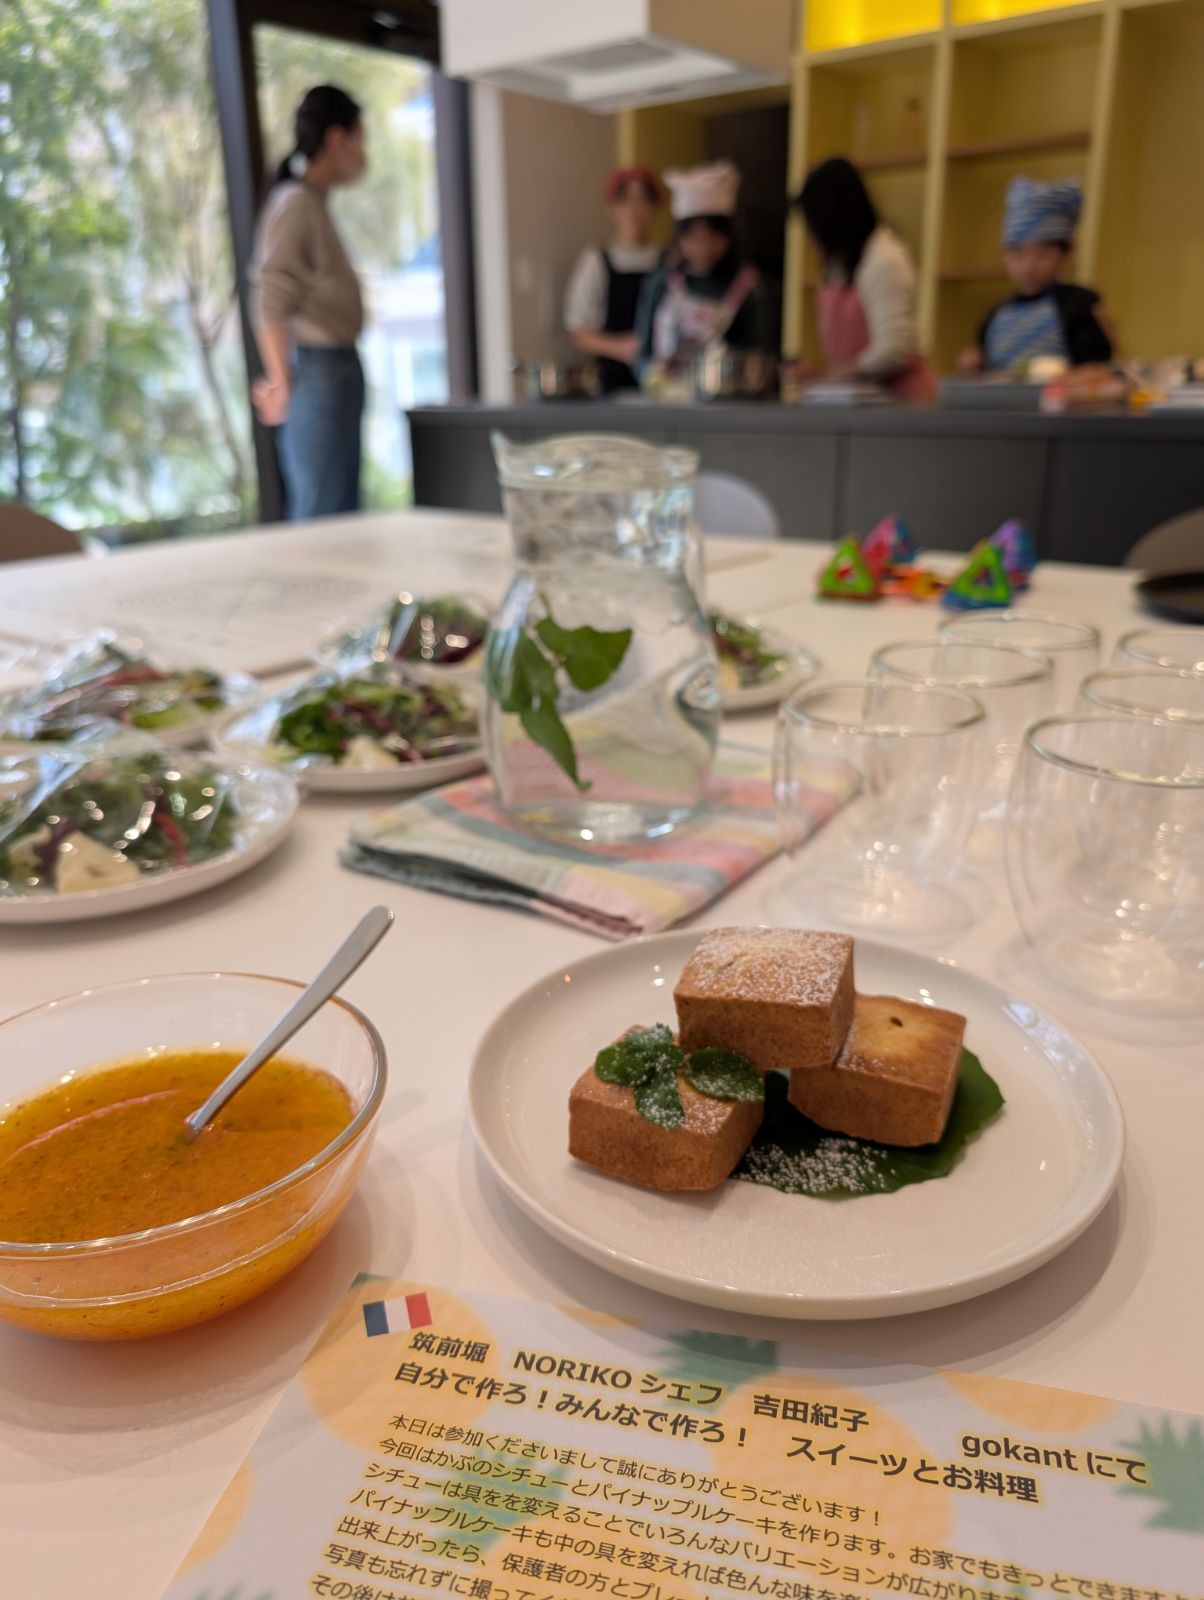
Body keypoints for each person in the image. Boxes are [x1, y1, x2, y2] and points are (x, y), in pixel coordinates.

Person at [249, 86, 368, 521]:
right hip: (319, 372)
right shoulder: (296, 203)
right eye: (361, 140)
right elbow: (271, 296)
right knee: (323, 520)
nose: (364, 154)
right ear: (337, 139)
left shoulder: (312, 203)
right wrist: (280, 380)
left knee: (339, 517)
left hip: (334, 370)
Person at [794, 156, 935, 403]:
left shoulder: (884, 259)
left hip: (900, 403)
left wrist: (831, 377)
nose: (810, 236)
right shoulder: (839, 264)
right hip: (859, 401)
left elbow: (893, 350)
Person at [961, 177, 1114, 373]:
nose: (1029, 267)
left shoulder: (1080, 305)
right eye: (1017, 255)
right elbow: (985, 369)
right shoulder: (994, 315)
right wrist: (973, 364)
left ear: (1067, 252)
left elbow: (1098, 368)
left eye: (1043, 254)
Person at [633, 160, 768, 379]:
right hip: (662, 395)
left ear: (729, 236)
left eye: (713, 237)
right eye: (693, 237)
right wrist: (650, 375)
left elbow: (756, 357)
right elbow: (642, 354)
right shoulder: (660, 283)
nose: (703, 248)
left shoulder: (749, 289)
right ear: (679, 237)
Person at [563, 166, 664, 393]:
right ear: (611, 209)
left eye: (643, 200)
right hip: (611, 384)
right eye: (625, 201)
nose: (634, 210)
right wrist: (623, 348)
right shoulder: (596, 261)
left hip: (662, 382)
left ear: (654, 208)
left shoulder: (668, 261)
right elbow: (579, 330)